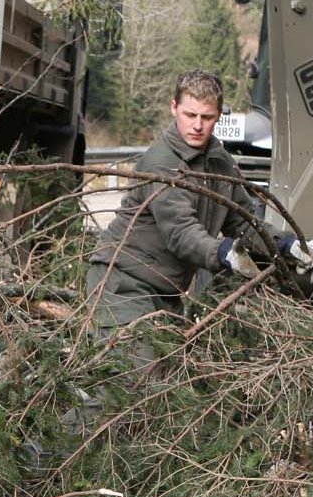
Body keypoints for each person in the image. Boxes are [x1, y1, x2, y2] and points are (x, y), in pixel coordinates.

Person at [85, 69, 258, 327]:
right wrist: (222, 252)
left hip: (166, 292)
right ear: (174, 107)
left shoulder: (220, 163)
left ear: (218, 116)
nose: (198, 125)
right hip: (122, 285)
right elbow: (181, 232)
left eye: (207, 117)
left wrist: (287, 245)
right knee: (141, 365)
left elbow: (244, 223)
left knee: (173, 366)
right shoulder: (162, 163)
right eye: (190, 115)